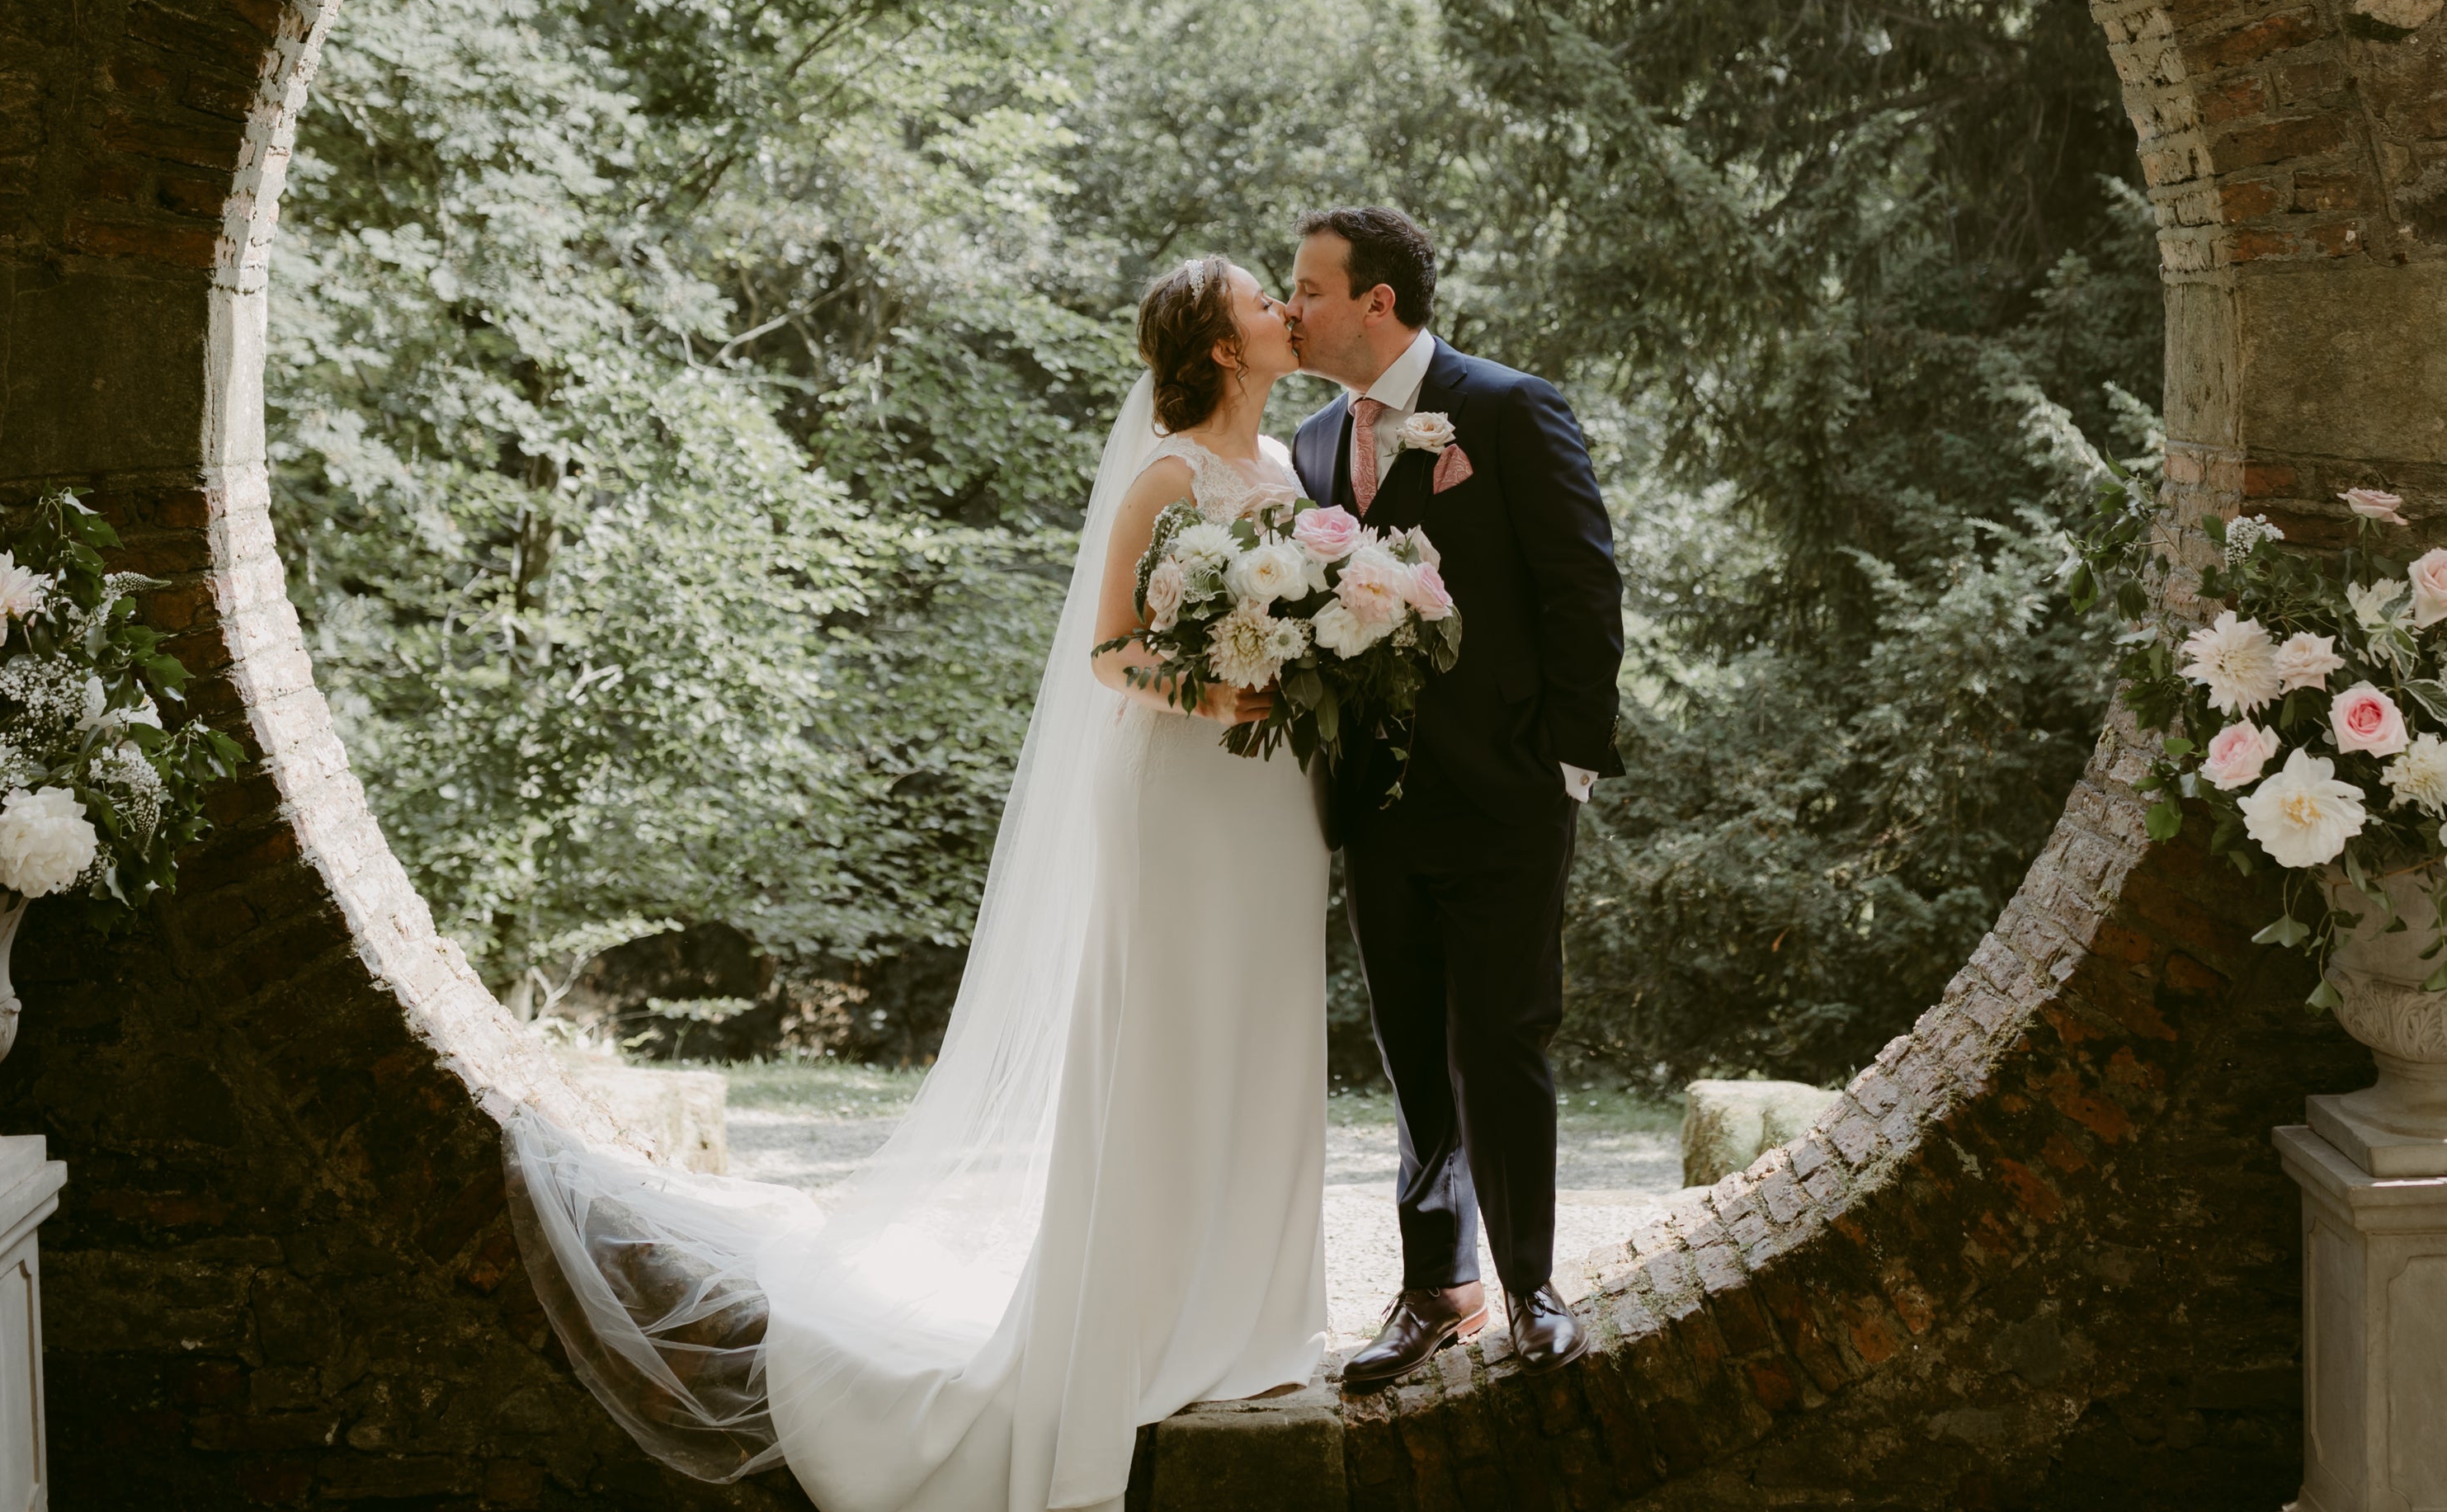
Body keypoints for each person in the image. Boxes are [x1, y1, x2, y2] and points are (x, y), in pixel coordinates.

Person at [505, 256, 1332, 1512]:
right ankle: (1143, 1325)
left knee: (1266, 1032)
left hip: (1271, 799)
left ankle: (1255, 1323)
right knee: (1165, 1040)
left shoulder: (1288, 479)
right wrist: (1210, 689)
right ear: (1221, 346)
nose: (1285, 309)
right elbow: (1111, 651)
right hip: (1180, 792)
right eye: (1263, 301)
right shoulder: (1169, 478)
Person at [1284, 205, 1625, 1390]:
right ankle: (1439, 1288)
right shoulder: (1316, 442)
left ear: (1378, 301)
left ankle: (1532, 1285)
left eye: (1309, 289)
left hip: (1510, 794)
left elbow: (1584, 582)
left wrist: (1567, 762)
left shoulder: (1508, 407)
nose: (1291, 310)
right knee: (1414, 1054)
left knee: (1505, 1036)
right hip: (1377, 805)